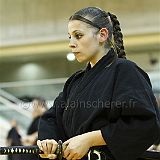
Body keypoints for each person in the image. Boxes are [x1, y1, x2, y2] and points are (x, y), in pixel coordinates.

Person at [37, 7, 160, 160]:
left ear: (102, 35)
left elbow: (144, 125)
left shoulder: (125, 70)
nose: (71, 43)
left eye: (78, 36)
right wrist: (50, 142)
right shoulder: (75, 81)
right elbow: (52, 117)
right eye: (70, 37)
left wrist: (90, 139)